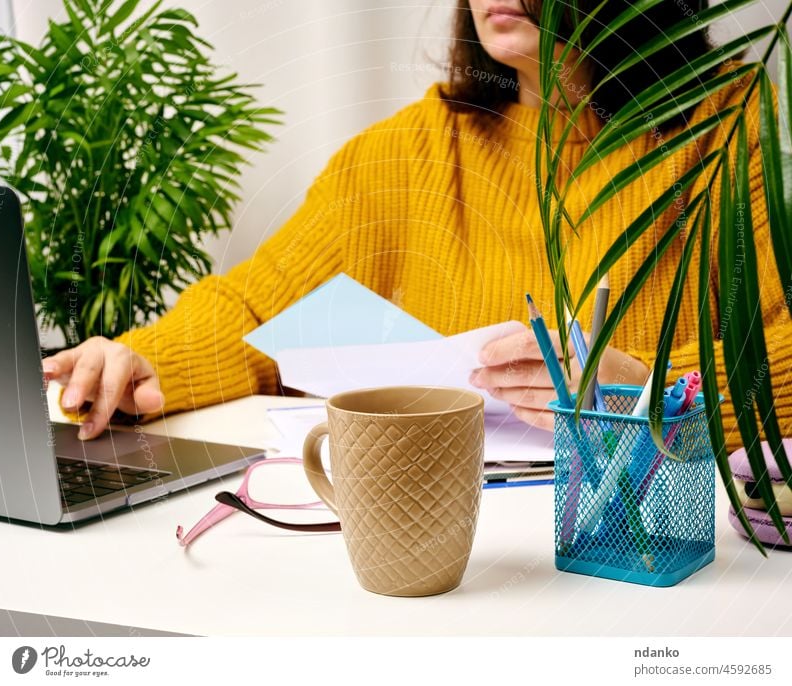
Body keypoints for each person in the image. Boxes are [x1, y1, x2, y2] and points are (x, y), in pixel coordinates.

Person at [42, 0, 791, 450]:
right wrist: (143, 361)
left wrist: (651, 391)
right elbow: (256, 307)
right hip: (425, 547)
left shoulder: (729, 136)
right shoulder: (403, 155)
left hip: (639, 566)